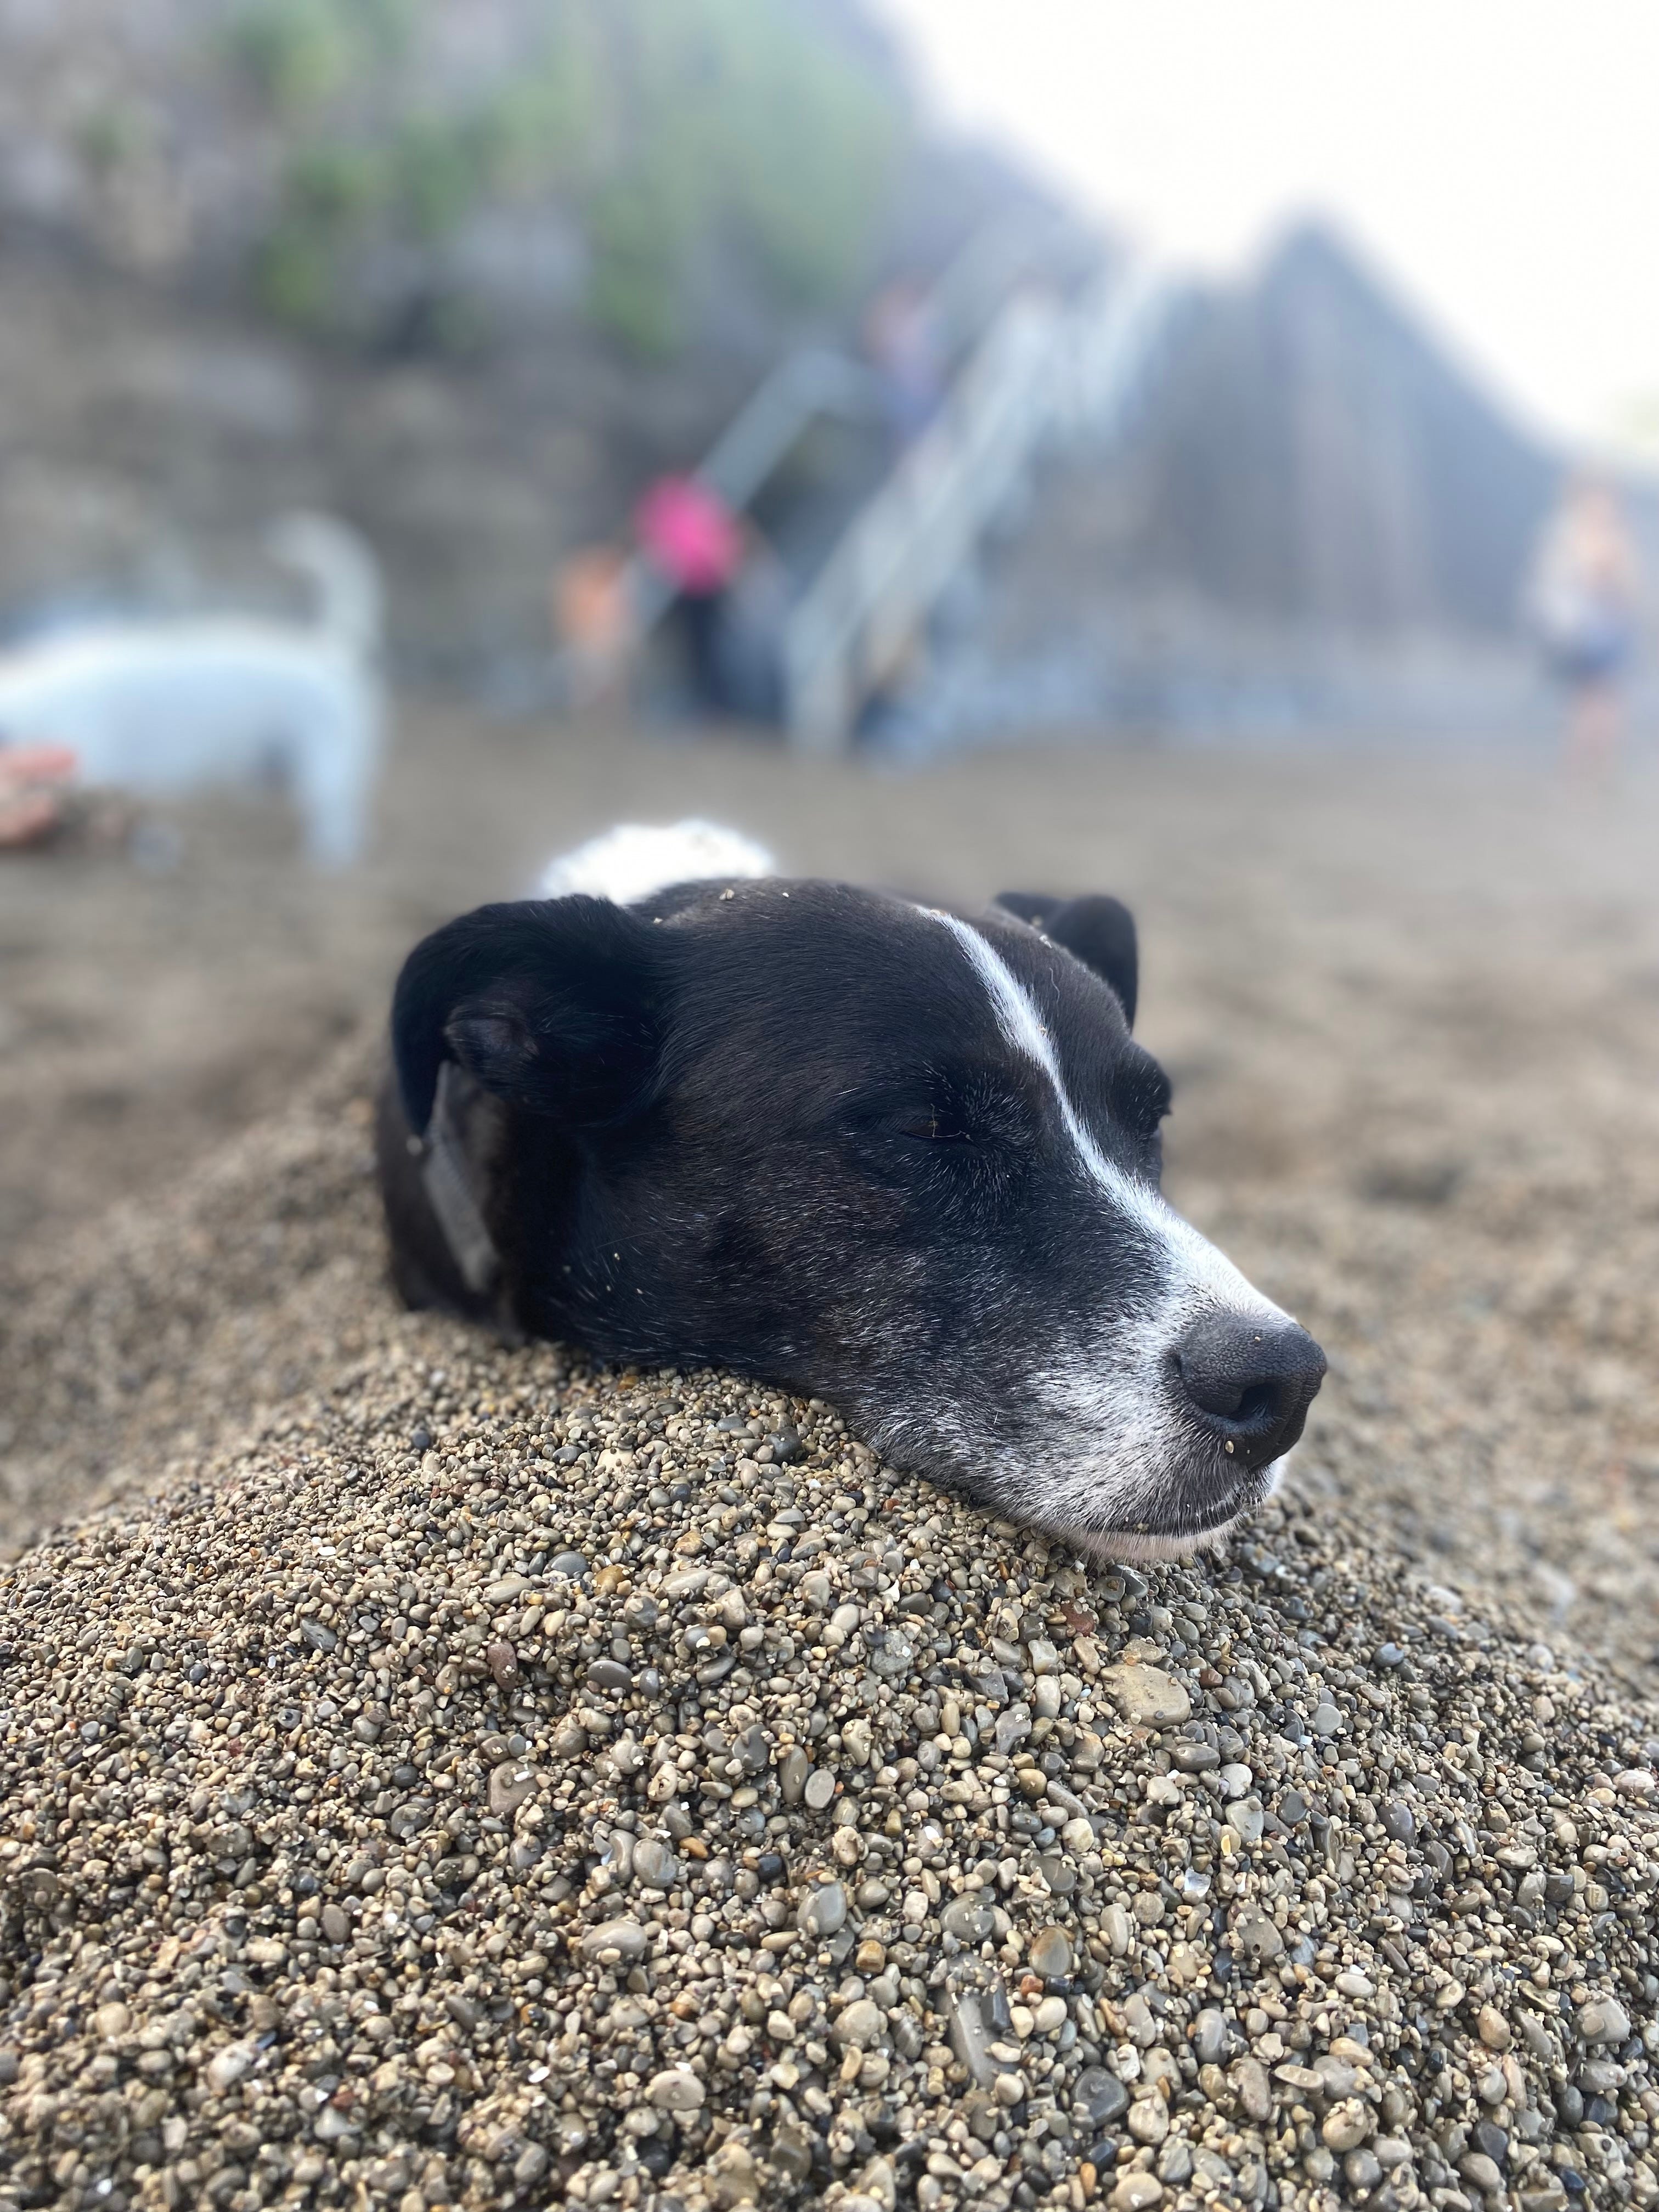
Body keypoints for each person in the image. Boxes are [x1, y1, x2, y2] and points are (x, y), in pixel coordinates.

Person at [1527, 471, 1643, 777]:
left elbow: (1630, 587)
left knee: (1607, 702)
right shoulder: (1567, 536)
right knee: (1587, 701)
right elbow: (1554, 587)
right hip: (1582, 630)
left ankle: (1601, 767)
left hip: (1611, 628)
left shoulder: (1617, 538)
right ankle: (1581, 769)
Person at [633, 475, 743, 717]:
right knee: (697, 650)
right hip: (689, 587)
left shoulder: (688, 502)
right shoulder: (694, 502)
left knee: (704, 649)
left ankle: (710, 703)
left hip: (702, 587)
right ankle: (703, 702)